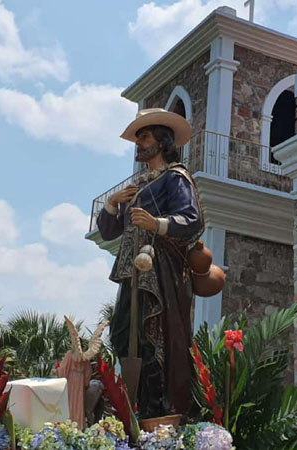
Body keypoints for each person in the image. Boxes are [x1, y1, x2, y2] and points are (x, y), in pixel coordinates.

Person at [98, 108, 203, 418]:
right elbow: (110, 231)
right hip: (131, 272)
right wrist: (112, 203)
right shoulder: (139, 187)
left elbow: (192, 220)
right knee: (122, 334)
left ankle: (155, 410)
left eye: (144, 137)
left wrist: (156, 223)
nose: (139, 143)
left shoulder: (176, 178)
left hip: (159, 272)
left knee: (152, 337)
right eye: (138, 138)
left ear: (162, 142)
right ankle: (132, 405)